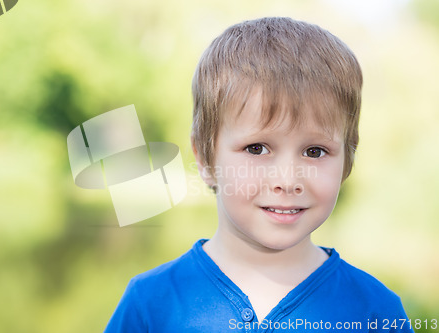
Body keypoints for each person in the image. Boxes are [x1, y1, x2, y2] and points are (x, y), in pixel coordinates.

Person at [104, 17, 413, 332]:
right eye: (256, 148)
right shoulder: (150, 305)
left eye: (315, 151)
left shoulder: (376, 311)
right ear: (206, 160)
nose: (287, 180)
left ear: (347, 161)